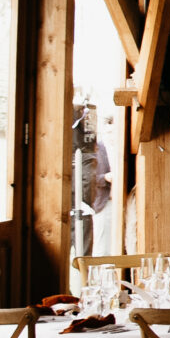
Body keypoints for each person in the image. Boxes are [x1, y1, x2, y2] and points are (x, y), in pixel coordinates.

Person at [71, 106, 112, 264]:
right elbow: (89, 175)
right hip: (90, 204)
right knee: (93, 251)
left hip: (92, 204)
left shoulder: (97, 146)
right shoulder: (87, 149)